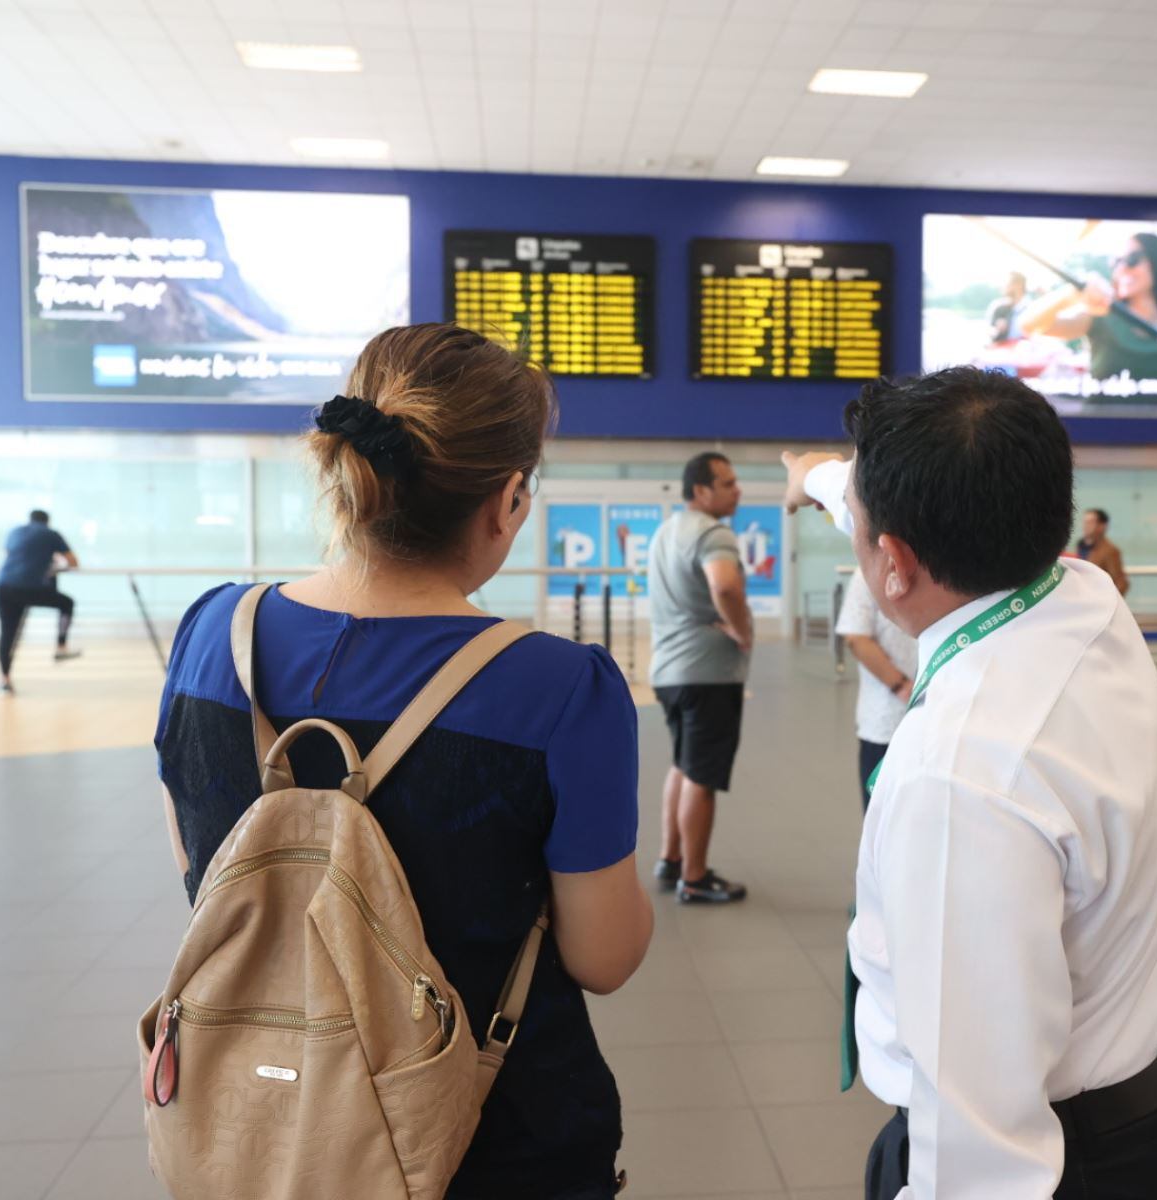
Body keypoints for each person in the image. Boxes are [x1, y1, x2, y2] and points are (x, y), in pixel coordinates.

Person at [153, 324, 653, 1198]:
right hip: (493, 1139)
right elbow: (604, 957)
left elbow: (206, 870)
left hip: (264, 1119)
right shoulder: (560, 688)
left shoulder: (211, 634)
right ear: (508, 500)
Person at [783, 366, 1157, 1200]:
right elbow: (866, 488)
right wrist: (817, 476)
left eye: (853, 519)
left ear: (892, 561)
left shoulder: (962, 774)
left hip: (1075, 1164)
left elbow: (980, 1135)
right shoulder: (1080, 590)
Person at [648, 451, 753, 904]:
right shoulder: (714, 533)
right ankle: (694, 877)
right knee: (702, 776)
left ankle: (670, 858)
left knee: (683, 764)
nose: (737, 490)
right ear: (701, 491)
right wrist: (743, 630)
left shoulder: (667, 531)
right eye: (727, 483)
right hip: (706, 674)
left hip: (669, 672)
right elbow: (725, 585)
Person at [1019, 232, 1157, 384]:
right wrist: (1072, 294)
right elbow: (1029, 325)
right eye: (1116, 262)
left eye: (1132, 259)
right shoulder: (1101, 315)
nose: (1122, 269)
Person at [835, 569, 916, 810]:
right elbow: (857, 639)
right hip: (886, 721)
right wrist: (901, 685)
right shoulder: (869, 572)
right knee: (884, 820)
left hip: (933, 718)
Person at [0, 508, 82, 692]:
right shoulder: (50, 534)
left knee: (7, 633)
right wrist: (55, 561)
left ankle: (5, 680)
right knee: (67, 603)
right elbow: (73, 562)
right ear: (47, 521)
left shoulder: (15, 531)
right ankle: (61, 646)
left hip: (2, 586)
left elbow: (9, 554)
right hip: (28, 588)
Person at [1074, 507, 1129, 595]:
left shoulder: (1110, 550)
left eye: (1090, 522)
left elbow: (1121, 583)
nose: (1085, 525)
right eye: (1085, 522)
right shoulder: (1079, 545)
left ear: (1102, 526)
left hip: (1097, 600)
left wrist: (1108, 602)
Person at [987, 271, 1028, 343]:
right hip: (1001, 350)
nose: (1002, 286)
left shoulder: (1031, 309)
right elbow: (988, 334)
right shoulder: (996, 306)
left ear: (1018, 285)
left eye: (1006, 283)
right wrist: (997, 330)